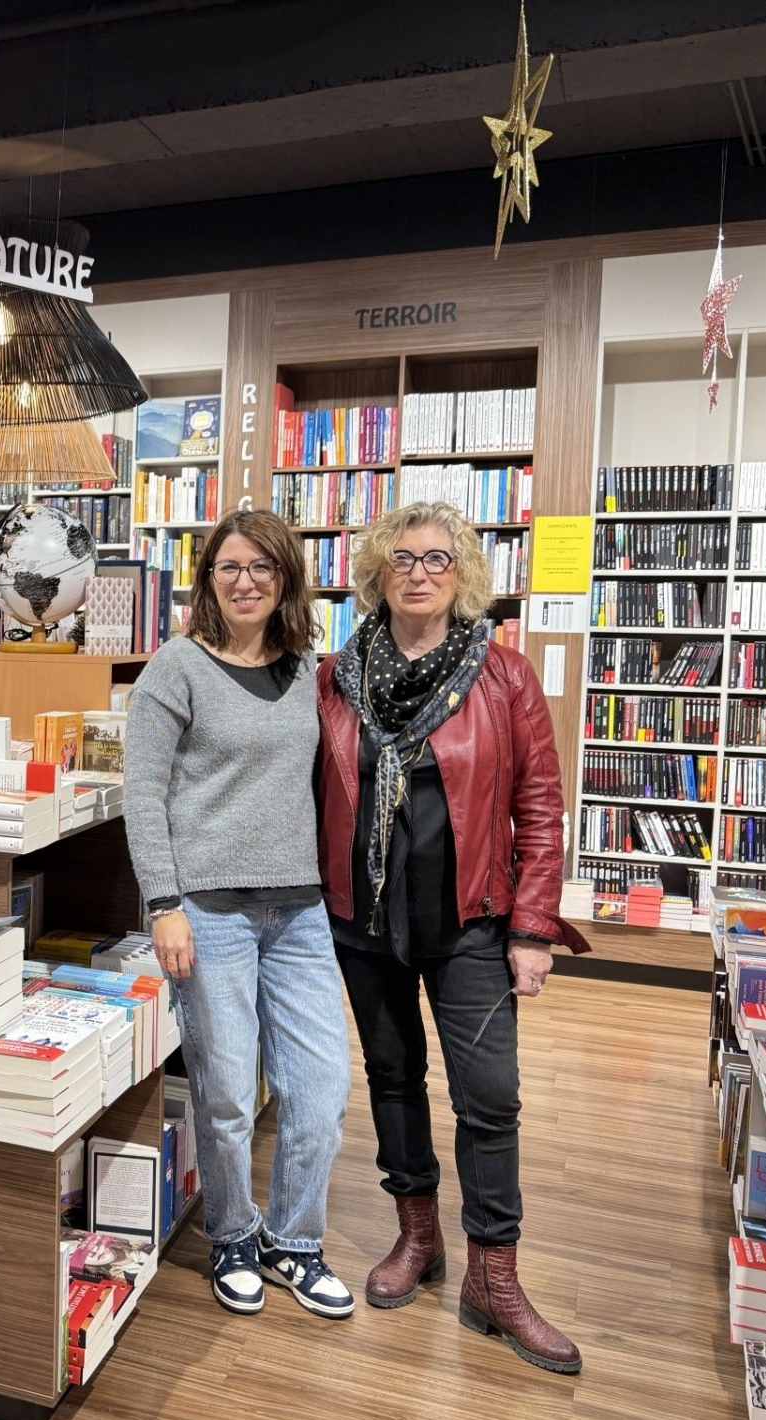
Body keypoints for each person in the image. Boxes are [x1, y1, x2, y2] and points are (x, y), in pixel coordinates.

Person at [316, 500, 589, 1374]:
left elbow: (541, 807)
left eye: (438, 559)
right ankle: (418, 1236)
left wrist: (534, 928)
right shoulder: (335, 675)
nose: (420, 572)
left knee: (491, 1098)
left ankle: (496, 1278)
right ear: (377, 571)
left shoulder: (504, 677)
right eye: (403, 558)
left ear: (462, 572)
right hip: (363, 922)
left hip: (472, 921)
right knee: (393, 1079)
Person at [122, 509, 354, 1322]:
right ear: (208, 578)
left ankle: (296, 1242)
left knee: (321, 1091)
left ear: (286, 578)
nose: (246, 580)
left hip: (298, 911)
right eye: (230, 567)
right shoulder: (175, 668)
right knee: (224, 1098)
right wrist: (164, 906)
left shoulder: (307, 673)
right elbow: (143, 795)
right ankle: (232, 1235)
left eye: (263, 567)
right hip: (208, 912)